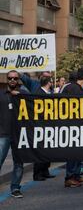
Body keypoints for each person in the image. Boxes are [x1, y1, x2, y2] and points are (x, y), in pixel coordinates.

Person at [0, 70, 28, 198]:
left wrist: (21, 97)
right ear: (7, 79)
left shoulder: (24, 95)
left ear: (18, 80)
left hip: (19, 135)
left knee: (18, 163)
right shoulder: (1, 95)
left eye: (15, 78)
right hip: (3, 134)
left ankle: (15, 188)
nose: (12, 80)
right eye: (10, 78)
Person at [61, 67, 83, 188]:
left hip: (76, 126)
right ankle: (70, 177)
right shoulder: (74, 88)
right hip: (71, 126)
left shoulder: (74, 87)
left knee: (78, 152)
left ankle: (76, 175)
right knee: (73, 153)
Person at [32, 75, 55, 181]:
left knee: (48, 151)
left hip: (49, 126)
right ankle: (37, 173)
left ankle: (45, 171)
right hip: (40, 126)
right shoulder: (38, 93)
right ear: (49, 83)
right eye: (51, 81)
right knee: (40, 151)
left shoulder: (49, 94)